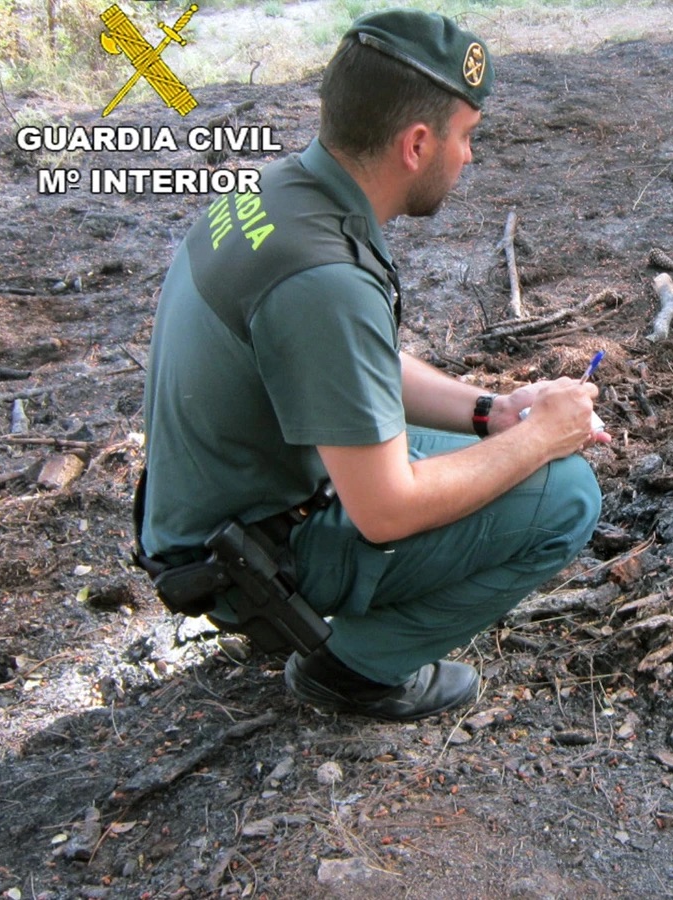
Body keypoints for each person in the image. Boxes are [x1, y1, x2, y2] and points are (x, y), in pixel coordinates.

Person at [137, 9, 604, 721]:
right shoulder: (324, 280)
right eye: (466, 136)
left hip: (228, 509)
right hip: (245, 556)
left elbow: (353, 367)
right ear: (416, 144)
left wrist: (493, 413)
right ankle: (353, 669)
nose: (469, 158)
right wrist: (541, 437)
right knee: (567, 495)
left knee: (492, 452)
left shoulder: (282, 194)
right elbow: (386, 511)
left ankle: (346, 629)